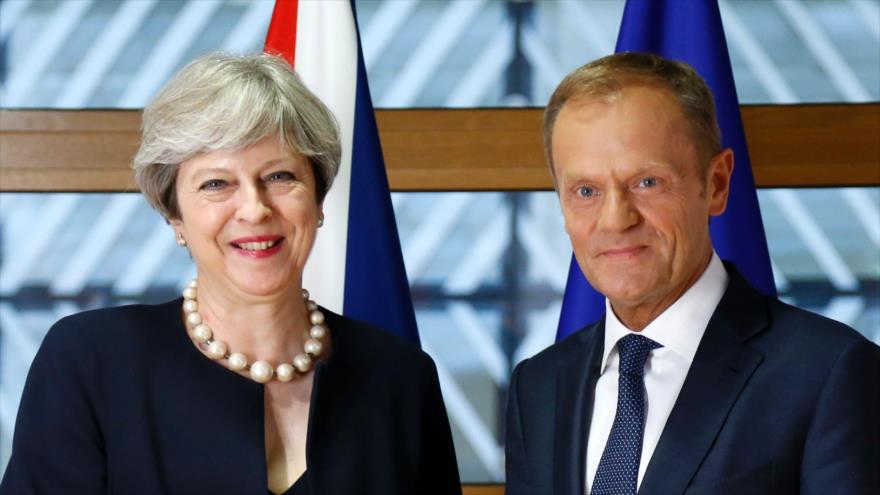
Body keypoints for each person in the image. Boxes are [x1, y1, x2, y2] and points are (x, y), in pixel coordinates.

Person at [1, 53, 461, 495]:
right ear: (174, 216)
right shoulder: (90, 362)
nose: (255, 209)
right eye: (216, 184)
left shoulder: (401, 378)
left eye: (280, 176)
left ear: (318, 201)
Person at [504, 52, 880, 495]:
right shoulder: (539, 385)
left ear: (716, 184)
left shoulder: (828, 373)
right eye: (586, 191)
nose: (615, 220)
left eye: (647, 182)